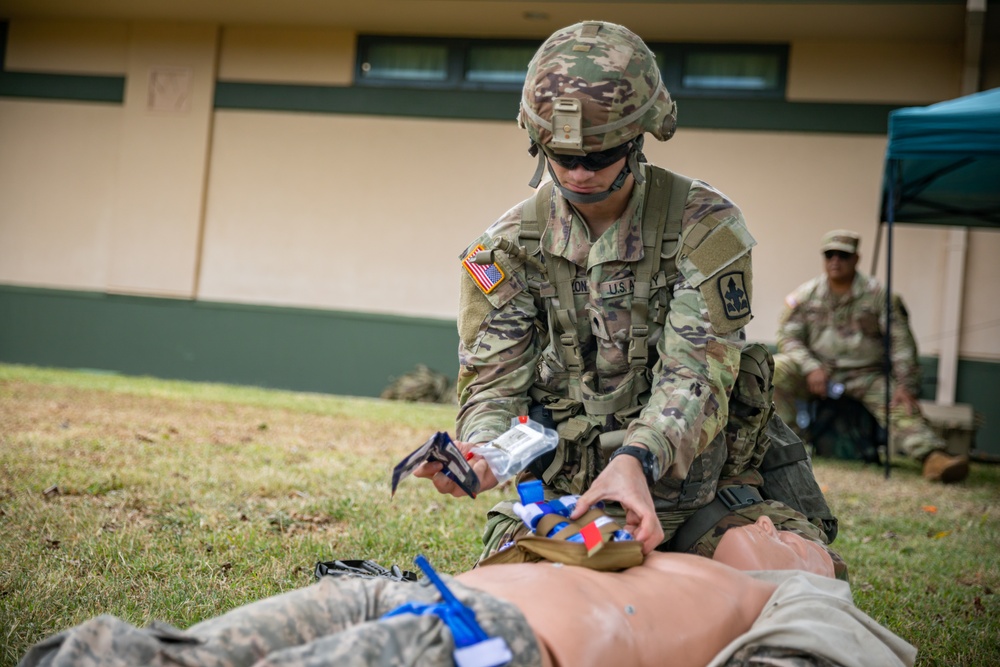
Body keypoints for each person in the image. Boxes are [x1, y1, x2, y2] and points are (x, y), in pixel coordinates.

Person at [415, 19, 839, 568]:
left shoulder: (703, 226)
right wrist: (485, 452)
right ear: (537, 142)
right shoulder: (505, 250)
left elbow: (696, 376)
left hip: (699, 494)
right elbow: (494, 385)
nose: (579, 174)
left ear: (640, 138)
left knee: (790, 576)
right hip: (563, 502)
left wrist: (637, 459)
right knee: (534, 609)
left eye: (599, 156)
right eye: (562, 158)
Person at [16, 517, 916, 667]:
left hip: (474, 646)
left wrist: (813, 590)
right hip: (413, 597)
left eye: (805, 539)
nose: (793, 530)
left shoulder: (803, 604)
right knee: (140, 650)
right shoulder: (658, 545)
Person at [773, 229, 969, 483]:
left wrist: (906, 385)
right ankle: (787, 450)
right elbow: (787, 336)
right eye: (830, 254)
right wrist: (810, 366)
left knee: (898, 402)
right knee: (776, 369)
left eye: (843, 255)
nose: (836, 260)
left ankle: (932, 457)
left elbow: (901, 343)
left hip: (865, 374)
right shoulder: (805, 295)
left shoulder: (880, 296)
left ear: (856, 258)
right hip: (819, 371)